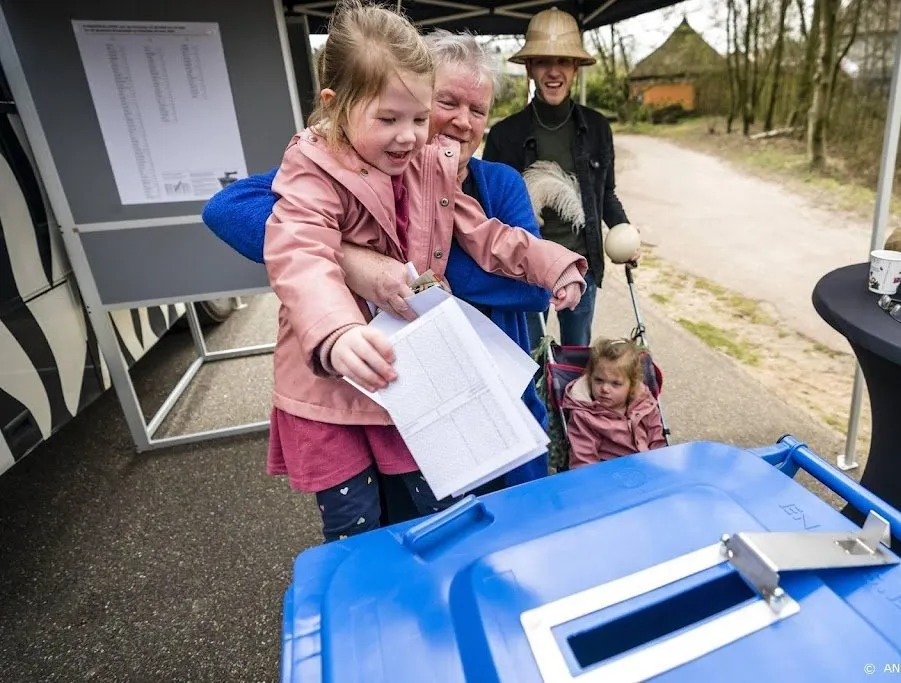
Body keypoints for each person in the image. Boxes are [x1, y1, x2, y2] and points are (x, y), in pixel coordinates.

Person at [260, 0, 587, 543]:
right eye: (392, 118)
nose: (410, 135)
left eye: (416, 119)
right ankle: (374, 617)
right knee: (357, 532)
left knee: (436, 516)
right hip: (334, 384)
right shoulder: (313, 168)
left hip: (407, 378)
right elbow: (298, 249)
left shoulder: (430, 165)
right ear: (334, 106)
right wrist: (337, 329)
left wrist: (556, 266)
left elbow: (489, 235)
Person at [201, 29, 554, 504]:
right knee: (411, 526)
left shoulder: (499, 183)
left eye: (478, 110)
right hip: (400, 396)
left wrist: (409, 273)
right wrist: (351, 260)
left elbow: (532, 289)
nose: (462, 122)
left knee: (509, 526)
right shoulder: (351, 169)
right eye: (447, 102)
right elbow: (229, 209)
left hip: (490, 394)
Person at [483, 7, 637, 349]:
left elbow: (605, 195)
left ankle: (570, 407)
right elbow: (488, 211)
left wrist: (625, 232)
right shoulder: (504, 136)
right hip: (525, 272)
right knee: (529, 359)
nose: (554, 72)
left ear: (576, 68)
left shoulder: (597, 128)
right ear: (529, 68)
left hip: (580, 267)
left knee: (576, 357)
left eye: (564, 62)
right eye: (543, 62)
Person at [563, 338, 667, 469]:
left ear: (632, 385)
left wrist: (661, 467)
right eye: (599, 380)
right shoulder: (584, 416)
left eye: (615, 384)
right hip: (608, 476)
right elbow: (583, 460)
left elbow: (657, 441)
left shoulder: (645, 404)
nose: (605, 389)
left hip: (648, 468)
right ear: (590, 378)